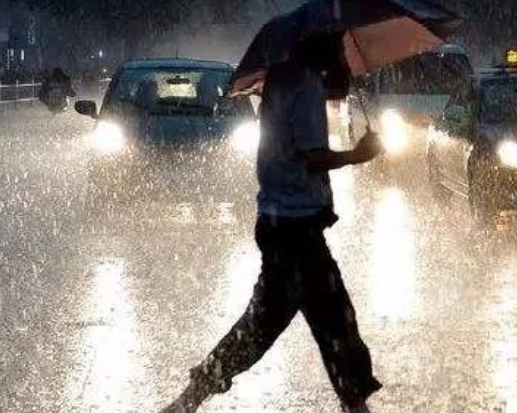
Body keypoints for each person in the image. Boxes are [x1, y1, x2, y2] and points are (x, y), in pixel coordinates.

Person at [159, 32, 384, 413]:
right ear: (322, 49)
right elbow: (312, 158)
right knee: (333, 323)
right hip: (297, 230)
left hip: (280, 223)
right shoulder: (306, 84)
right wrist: (358, 155)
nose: (343, 56)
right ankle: (355, 405)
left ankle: (190, 398)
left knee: (268, 324)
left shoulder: (281, 79)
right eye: (338, 49)